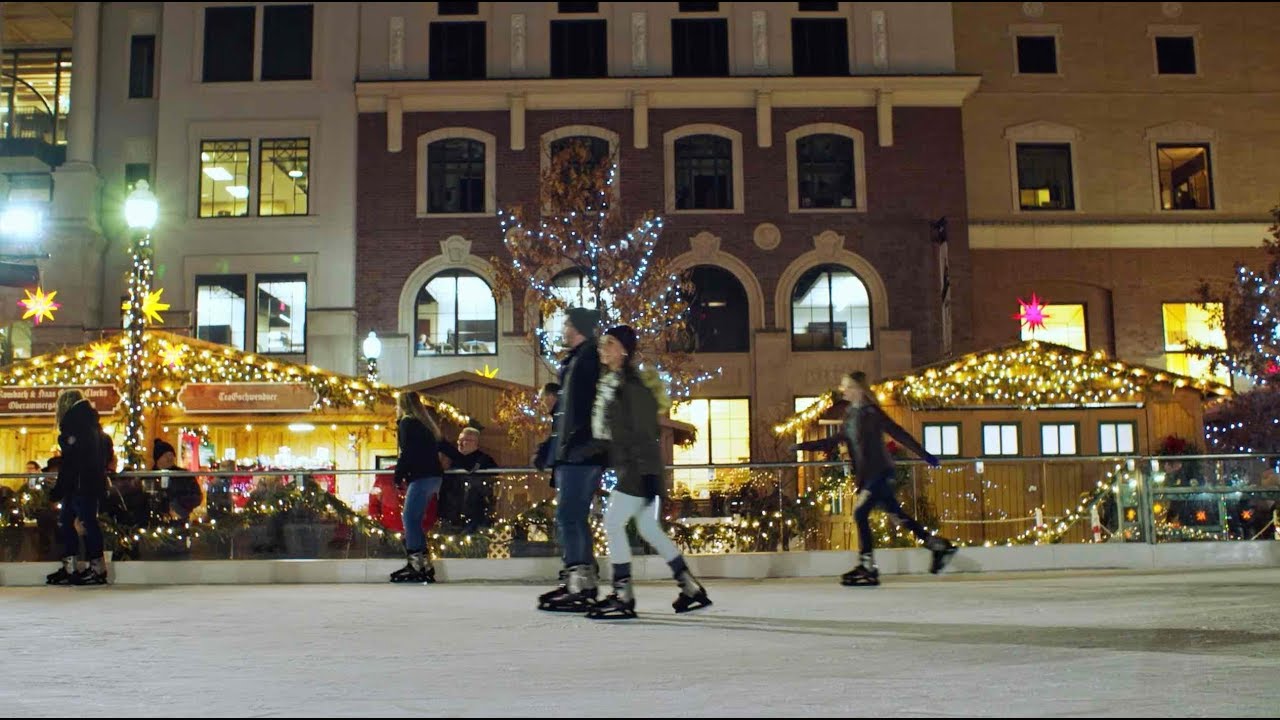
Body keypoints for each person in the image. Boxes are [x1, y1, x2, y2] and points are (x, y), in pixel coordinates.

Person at [586, 325, 712, 619]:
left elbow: (643, 434)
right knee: (648, 529)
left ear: (625, 350)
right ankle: (690, 586)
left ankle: (623, 594)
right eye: (603, 343)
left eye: (611, 343)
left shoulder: (632, 388)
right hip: (637, 468)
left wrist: (643, 474)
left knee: (613, 523)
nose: (604, 348)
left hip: (638, 469)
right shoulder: (614, 384)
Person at [789, 371, 957, 587]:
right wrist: (802, 447)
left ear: (858, 389)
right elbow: (835, 440)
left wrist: (925, 455)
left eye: (847, 385)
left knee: (860, 513)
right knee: (898, 516)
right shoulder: (850, 415)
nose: (843, 389)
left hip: (879, 474)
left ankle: (868, 566)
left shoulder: (872, 413)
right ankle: (939, 546)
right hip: (869, 477)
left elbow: (898, 433)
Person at [537, 308, 609, 612]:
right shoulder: (578, 359)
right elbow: (567, 413)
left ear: (577, 327)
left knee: (570, 517)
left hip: (581, 454)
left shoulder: (588, 359)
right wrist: (551, 449)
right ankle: (578, 578)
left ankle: (580, 582)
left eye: (566, 323)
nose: (563, 328)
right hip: (573, 452)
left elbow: (583, 409)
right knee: (572, 517)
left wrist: (573, 444)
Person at [390, 391, 466, 583]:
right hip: (434, 477)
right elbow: (444, 446)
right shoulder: (426, 425)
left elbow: (408, 452)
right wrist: (467, 462)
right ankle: (425, 564)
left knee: (410, 519)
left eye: (397, 405)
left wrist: (398, 475)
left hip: (421, 477)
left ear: (403, 406)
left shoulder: (407, 422)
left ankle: (416, 565)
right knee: (414, 520)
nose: (395, 409)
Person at [45, 390, 109, 585]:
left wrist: (59, 489)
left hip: (80, 484)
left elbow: (71, 463)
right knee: (73, 521)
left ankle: (94, 569)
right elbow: (105, 451)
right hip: (87, 483)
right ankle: (76, 566)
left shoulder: (74, 425)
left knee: (84, 522)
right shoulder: (92, 425)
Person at [455, 427, 497, 533]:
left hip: (477, 509)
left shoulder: (485, 460)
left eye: (464, 440)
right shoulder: (452, 459)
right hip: (454, 508)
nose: (460, 443)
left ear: (474, 442)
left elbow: (493, 480)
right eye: (459, 440)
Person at [155, 438, 201, 522]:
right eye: (166, 456)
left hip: (180, 519)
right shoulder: (149, 476)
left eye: (171, 455)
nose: (170, 458)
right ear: (158, 458)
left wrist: (179, 503)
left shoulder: (184, 475)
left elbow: (197, 496)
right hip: (155, 520)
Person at [531, 382, 561, 474]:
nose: (542, 404)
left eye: (542, 399)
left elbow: (558, 440)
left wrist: (541, 456)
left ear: (551, 396)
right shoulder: (562, 414)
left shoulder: (562, 416)